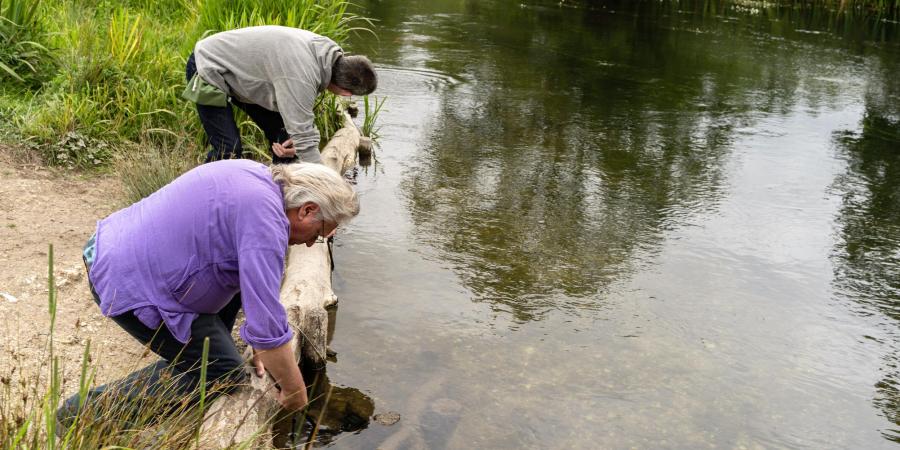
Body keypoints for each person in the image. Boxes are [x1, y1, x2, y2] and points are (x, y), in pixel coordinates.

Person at [57, 160, 360, 427]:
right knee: (224, 374)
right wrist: (295, 391)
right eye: (320, 234)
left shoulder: (258, 177)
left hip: (115, 245)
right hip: (130, 284)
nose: (311, 244)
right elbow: (267, 328)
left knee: (216, 354)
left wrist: (261, 346)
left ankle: (191, 385)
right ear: (307, 210)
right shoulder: (266, 224)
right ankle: (80, 416)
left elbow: (257, 291)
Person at [185, 25, 377, 164]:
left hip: (246, 73)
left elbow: (301, 128)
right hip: (208, 65)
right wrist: (326, 184)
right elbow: (304, 138)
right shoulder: (301, 75)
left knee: (284, 138)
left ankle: (281, 197)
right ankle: (207, 195)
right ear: (345, 93)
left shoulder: (329, 55)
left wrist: (300, 142)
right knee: (229, 150)